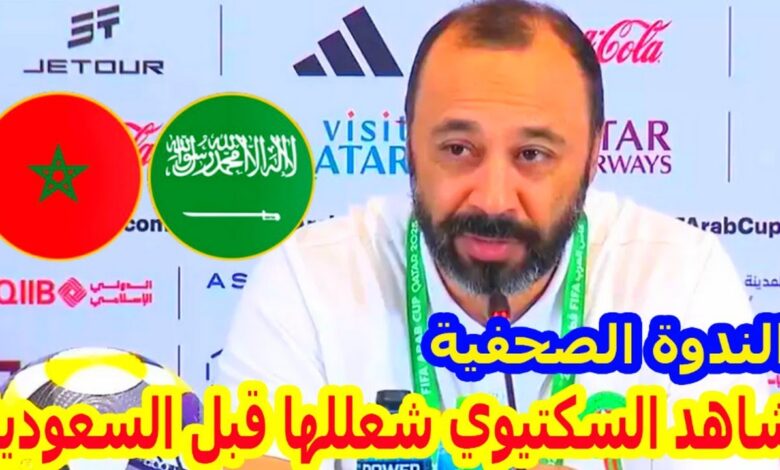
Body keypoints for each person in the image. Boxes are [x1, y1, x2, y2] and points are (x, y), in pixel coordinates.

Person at [218, 1, 775, 469]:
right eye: (459, 149)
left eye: (532, 155)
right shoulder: (309, 279)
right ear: (409, 144)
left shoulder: (681, 279)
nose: (492, 199)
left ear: (593, 156)